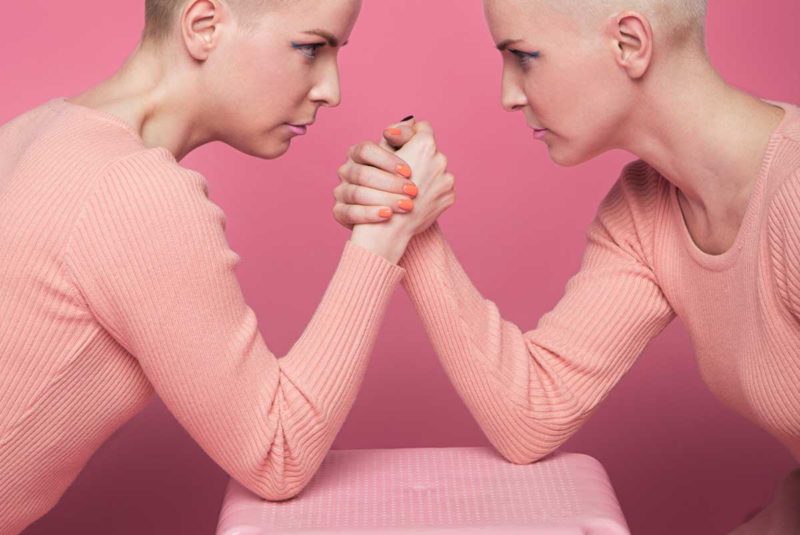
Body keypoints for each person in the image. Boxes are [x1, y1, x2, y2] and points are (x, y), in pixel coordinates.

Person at [334, 0, 800, 532]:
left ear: (630, 43)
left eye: (525, 56)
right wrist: (406, 218)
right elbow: (532, 413)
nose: (509, 95)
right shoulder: (644, 209)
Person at [0, 0, 455, 532]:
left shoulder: (26, 132)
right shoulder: (134, 190)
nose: (331, 89)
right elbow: (277, 453)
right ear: (204, 26)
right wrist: (385, 232)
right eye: (310, 48)